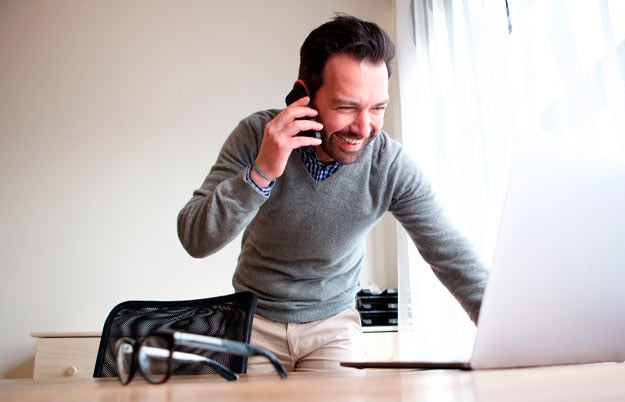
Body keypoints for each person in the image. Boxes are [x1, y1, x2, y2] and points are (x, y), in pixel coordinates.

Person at [177, 14, 487, 374]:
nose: (364, 126)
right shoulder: (255, 136)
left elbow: (450, 254)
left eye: (377, 108)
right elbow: (195, 238)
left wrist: (510, 336)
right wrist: (262, 172)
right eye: (346, 107)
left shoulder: (388, 165)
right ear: (304, 95)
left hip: (334, 328)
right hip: (252, 322)